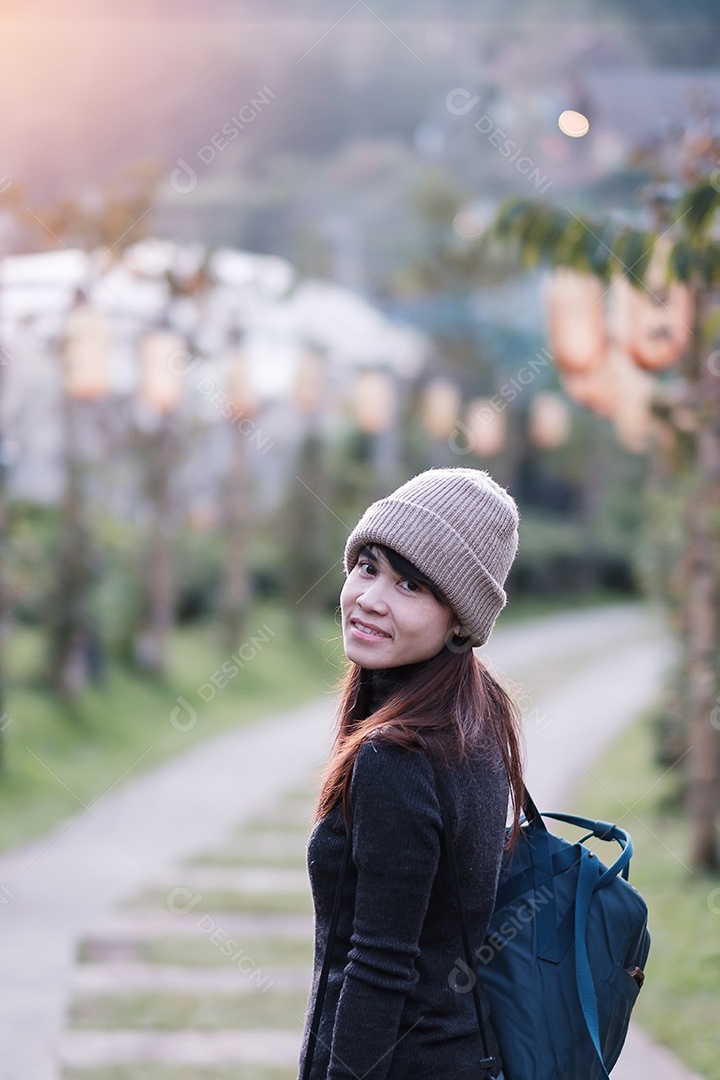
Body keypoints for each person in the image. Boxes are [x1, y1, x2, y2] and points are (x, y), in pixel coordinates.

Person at [298, 467, 524, 1080]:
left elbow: (378, 971)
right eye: (368, 566)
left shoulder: (395, 756)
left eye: (411, 585)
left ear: (461, 620)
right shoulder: (479, 716)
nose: (370, 597)